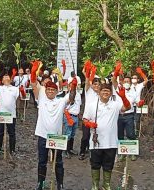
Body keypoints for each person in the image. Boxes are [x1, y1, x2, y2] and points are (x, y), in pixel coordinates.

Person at [31, 60, 76, 189]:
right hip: (42, 135)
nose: (50, 91)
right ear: (45, 90)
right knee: (42, 161)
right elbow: (34, 83)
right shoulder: (41, 97)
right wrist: (34, 72)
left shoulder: (61, 101)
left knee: (59, 162)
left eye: (53, 90)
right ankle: (40, 183)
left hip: (57, 137)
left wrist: (73, 86)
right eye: (48, 89)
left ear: (56, 92)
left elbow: (71, 97)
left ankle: (60, 184)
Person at [83, 83, 131, 190]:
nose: (105, 92)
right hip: (96, 141)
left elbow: (127, 107)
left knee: (108, 165)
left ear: (111, 93)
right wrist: (89, 124)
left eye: (108, 91)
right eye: (103, 90)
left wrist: (123, 97)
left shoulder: (115, 104)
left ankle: (106, 184)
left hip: (111, 141)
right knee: (95, 164)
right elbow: (85, 119)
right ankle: (95, 185)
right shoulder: (92, 105)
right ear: (99, 92)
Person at [0, 64, 19, 155]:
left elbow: (19, 99)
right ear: (1, 80)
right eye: (4, 77)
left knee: (12, 133)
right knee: (0, 132)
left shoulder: (15, 89)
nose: (6, 78)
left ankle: (12, 150)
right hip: (2, 114)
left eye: (8, 77)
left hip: (11, 114)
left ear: (10, 79)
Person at [79, 61, 101, 160]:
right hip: (87, 119)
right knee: (85, 136)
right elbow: (87, 81)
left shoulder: (102, 94)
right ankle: (82, 151)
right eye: (95, 84)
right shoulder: (88, 91)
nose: (96, 86)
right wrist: (88, 72)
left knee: (96, 136)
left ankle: (94, 152)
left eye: (98, 84)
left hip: (97, 119)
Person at [63, 78, 82, 158]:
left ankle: (70, 149)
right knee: (68, 134)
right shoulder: (68, 95)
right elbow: (64, 106)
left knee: (73, 134)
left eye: (75, 85)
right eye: (72, 85)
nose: (74, 86)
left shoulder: (79, 95)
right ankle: (65, 151)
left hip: (75, 116)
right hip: (69, 116)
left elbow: (79, 105)